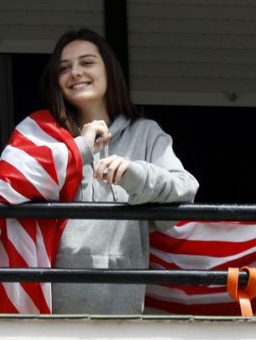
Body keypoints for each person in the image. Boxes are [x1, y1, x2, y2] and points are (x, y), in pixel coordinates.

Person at [37, 29, 198, 313]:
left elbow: (185, 192)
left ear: (109, 70)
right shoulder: (44, 137)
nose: (75, 72)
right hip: (51, 320)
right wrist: (80, 149)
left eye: (86, 63)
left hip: (123, 318)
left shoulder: (145, 133)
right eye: (64, 68)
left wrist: (133, 174)